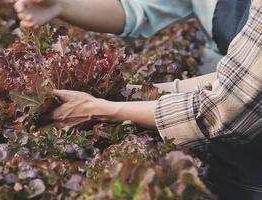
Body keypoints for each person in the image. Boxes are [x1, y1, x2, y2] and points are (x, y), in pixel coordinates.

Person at [14, 0, 262, 199]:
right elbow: (233, 78)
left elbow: (226, 107)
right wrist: (129, 94)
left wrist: (101, 109)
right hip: (229, 144)